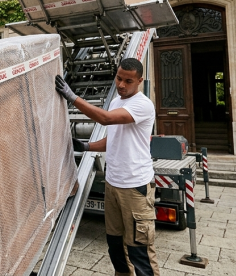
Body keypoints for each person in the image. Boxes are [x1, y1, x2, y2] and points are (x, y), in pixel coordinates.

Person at [55, 58, 159, 276]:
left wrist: (72, 97)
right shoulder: (115, 102)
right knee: (115, 247)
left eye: (128, 81)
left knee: (139, 251)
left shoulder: (142, 104)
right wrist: (87, 146)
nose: (121, 85)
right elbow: (114, 139)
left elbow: (106, 120)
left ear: (139, 81)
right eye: (119, 78)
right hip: (113, 184)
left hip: (135, 187)